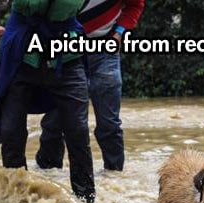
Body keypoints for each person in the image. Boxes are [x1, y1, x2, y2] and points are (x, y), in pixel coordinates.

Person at [0, 0, 96, 203]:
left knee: (78, 132)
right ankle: (17, 200)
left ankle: (85, 202)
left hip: (67, 50)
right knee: (10, 131)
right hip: (21, 50)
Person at [36, 0, 145, 172]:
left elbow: (135, 5)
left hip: (105, 49)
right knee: (55, 118)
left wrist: (119, 33)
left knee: (109, 122)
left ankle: (115, 175)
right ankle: (47, 180)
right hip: (66, 48)